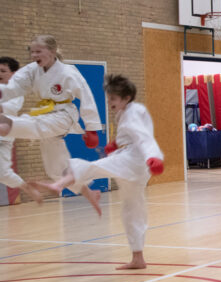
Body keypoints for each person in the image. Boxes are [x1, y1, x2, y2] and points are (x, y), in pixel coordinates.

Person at [37, 75, 163, 269]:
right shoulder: (125, 112)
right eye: (108, 97)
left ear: (126, 97)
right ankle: (138, 257)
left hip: (134, 159)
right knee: (132, 209)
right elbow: (132, 135)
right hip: (134, 163)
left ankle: (58, 184)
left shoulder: (134, 111)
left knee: (90, 167)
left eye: (113, 98)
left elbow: (144, 138)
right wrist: (114, 145)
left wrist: (153, 157)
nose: (109, 101)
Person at [0, 35, 102, 198]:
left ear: (52, 51)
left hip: (64, 114)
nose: (34, 56)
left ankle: (8, 125)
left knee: (33, 125)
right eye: (32, 52)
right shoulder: (32, 69)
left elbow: (86, 96)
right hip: (45, 113)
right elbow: (16, 85)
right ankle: (88, 192)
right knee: (55, 168)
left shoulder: (68, 72)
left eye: (38, 51)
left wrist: (92, 129)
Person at [0, 57, 42, 205]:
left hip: (4, 137)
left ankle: (27, 187)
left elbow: (9, 109)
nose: (0, 74)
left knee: (3, 174)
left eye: (3, 71)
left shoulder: (16, 91)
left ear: (14, 73)